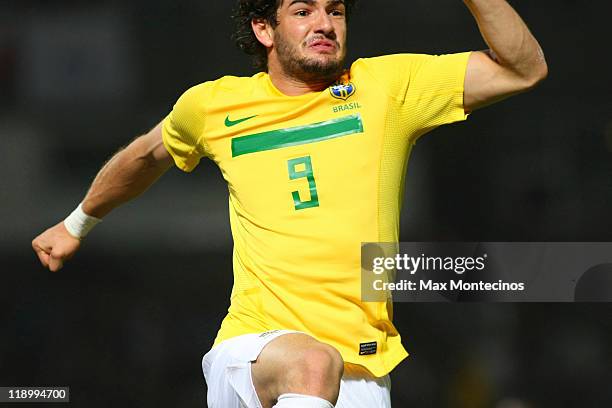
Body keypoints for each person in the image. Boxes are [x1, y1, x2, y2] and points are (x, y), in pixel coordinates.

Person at [32, 0, 547, 406]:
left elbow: (523, 70)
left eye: (335, 10)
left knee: (323, 367)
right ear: (264, 29)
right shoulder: (214, 105)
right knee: (313, 365)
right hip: (257, 351)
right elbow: (146, 155)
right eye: (303, 11)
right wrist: (77, 223)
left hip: (365, 370)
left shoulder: (387, 88)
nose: (324, 22)